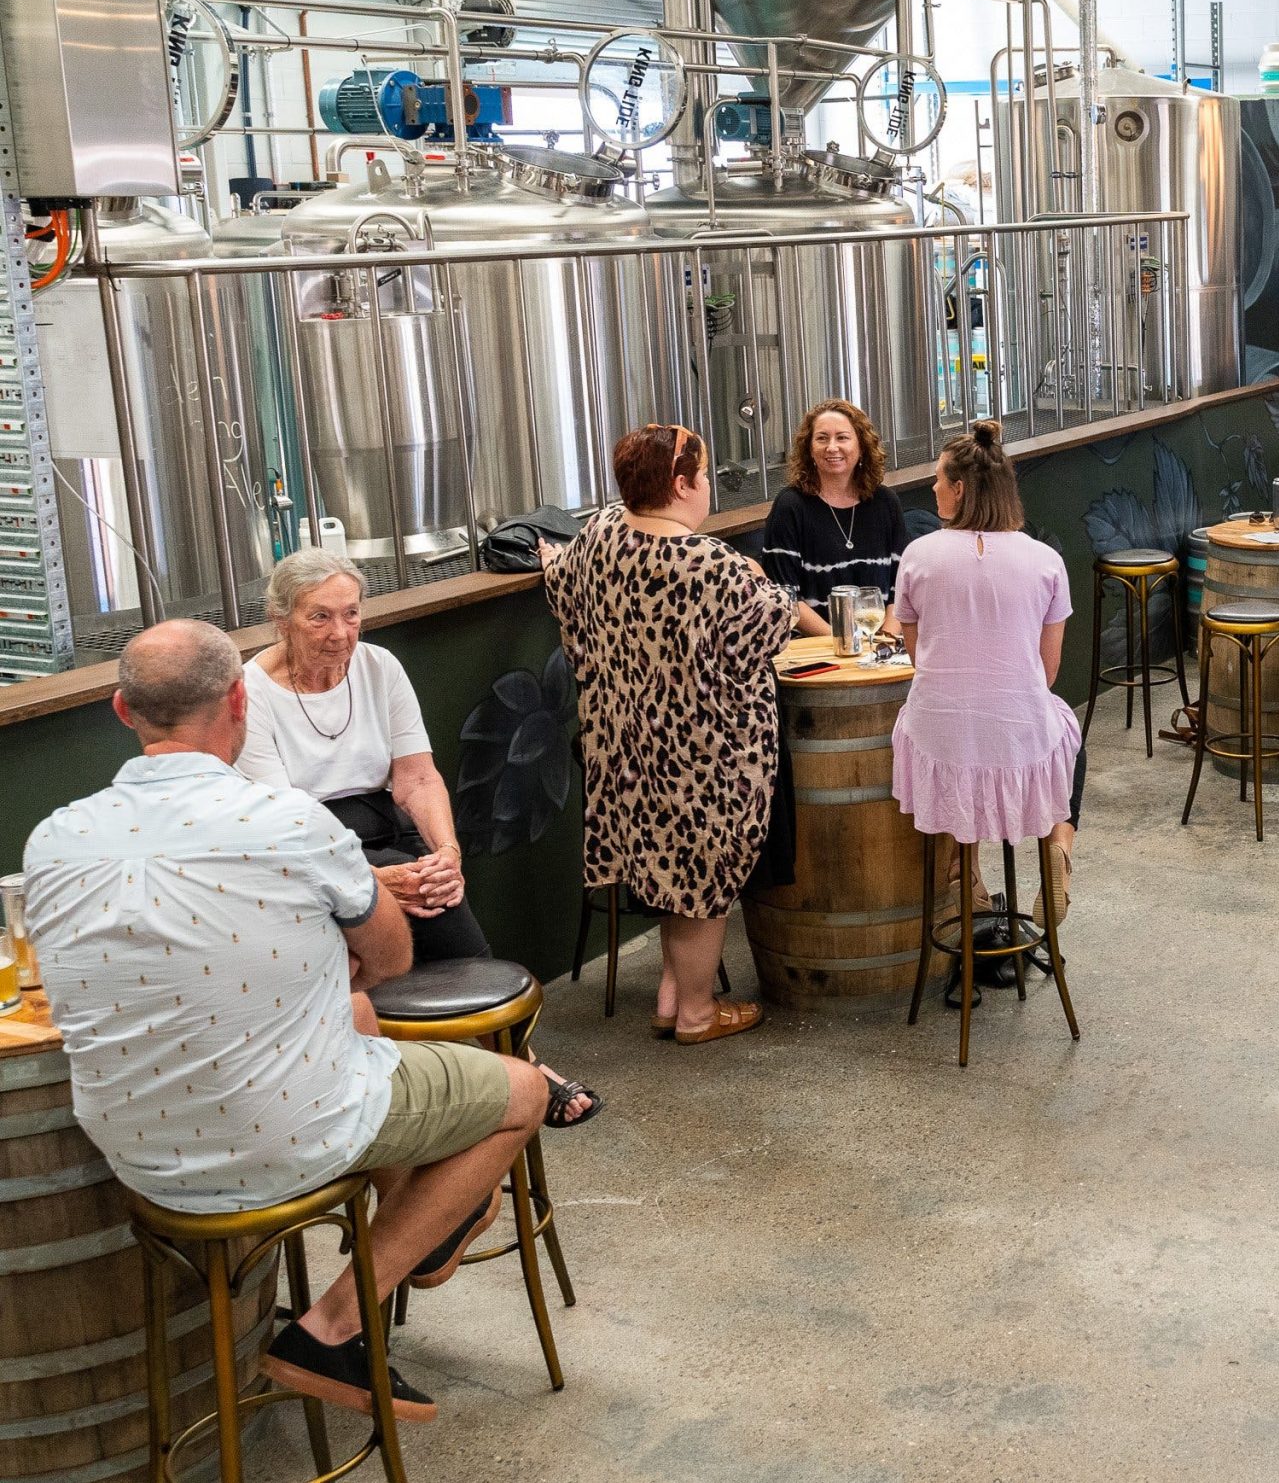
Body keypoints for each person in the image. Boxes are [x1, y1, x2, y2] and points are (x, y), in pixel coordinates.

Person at [22, 620, 545, 1424]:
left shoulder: (53, 838)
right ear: (240, 701)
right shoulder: (290, 820)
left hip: (136, 1154)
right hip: (278, 1136)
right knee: (523, 1090)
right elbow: (393, 955)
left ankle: (418, 1218)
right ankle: (333, 1326)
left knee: (355, 1013)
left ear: (123, 711)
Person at [239, 547, 598, 1127]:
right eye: (319, 616)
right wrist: (370, 880)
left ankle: (514, 1066)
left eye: (351, 614)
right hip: (308, 852)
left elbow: (417, 777)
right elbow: (283, 822)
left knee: (440, 894)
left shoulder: (380, 667)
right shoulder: (251, 692)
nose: (340, 633)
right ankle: (467, 1075)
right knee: (398, 917)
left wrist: (447, 854)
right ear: (280, 619)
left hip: (385, 830)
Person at [542, 424, 800, 1045]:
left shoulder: (601, 533)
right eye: (703, 474)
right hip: (706, 759)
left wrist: (550, 559)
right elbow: (773, 628)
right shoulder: (714, 567)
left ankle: (671, 995)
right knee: (701, 880)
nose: (707, 484)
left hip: (626, 752)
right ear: (681, 485)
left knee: (665, 865)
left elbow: (560, 583)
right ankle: (697, 1013)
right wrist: (764, 580)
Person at [891, 421, 1086, 904]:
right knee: (1065, 733)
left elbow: (919, 658)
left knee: (958, 740)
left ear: (959, 489)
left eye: (938, 478)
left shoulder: (917, 556)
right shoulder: (1046, 561)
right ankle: (1059, 845)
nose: (933, 487)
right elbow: (1047, 673)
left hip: (938, 734)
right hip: (1017, 733)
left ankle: (965, 867)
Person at [759, 398, 911, 638]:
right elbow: (785, 595)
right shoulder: (790, 507)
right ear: (809, 449)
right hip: (815, 646)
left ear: (861, 445)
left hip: (880, 643)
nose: (832, 447)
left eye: (842, 438)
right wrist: (842, 643)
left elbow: (901, 586)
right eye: (822, 438)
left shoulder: (886, 502)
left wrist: (886, 640)